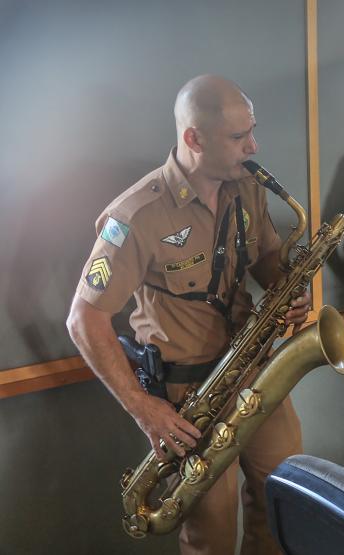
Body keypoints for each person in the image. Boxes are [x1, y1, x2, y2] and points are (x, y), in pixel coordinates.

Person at [66, 74, 312, 555]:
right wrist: (145, 409)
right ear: (194, 138)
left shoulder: (248, 189)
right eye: (239, 137)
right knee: (211, 534)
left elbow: (263, 258)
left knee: (285, 502)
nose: (253, 146)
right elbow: (84, 319)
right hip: (188, 399)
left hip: (256, 373)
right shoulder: (136, 215)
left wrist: (288, 287)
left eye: (252, 131)